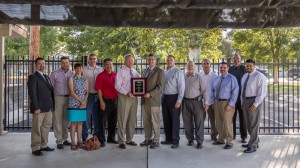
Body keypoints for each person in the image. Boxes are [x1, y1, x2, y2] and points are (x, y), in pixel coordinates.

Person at [28, 57, 55, 156]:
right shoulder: (33, 77)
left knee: (46, 127)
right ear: (36, 65)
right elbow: (32, 93)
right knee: (36, 128)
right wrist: (36, 107)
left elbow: (50, 91)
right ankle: (35, 148)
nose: (42, 65)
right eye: (40, 64)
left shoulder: (47, 77)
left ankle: (44, 145)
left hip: (48, 107)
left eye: (43, 63)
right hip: (38, 108)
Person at [241, 59, 267, 153]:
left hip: (254, 101)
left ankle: (253, 146)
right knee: (248, 124)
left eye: (250, 66)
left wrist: (255, 104)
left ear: (254, 66)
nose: (248, 67)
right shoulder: (245, 76)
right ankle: (254, 140)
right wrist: (242, 102)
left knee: (254, 124)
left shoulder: (260, 76)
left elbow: (262, 93)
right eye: (247, 66)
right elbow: (242, 90)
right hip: (245, 101)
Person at [140, 54, 165, 149]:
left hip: (153, 100)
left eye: (152, 59)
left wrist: (150, 94)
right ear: (147, 60)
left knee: (155, 121)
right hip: (144, 101)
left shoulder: (160, 71)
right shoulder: (144, 71)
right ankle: (148, 138)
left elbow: (160, 87)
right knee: (146, 121)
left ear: (155, 61)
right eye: (149, 59)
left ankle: (156, 140)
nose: (150, 61)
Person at [212, 62, 239, 149]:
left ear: (227, 68)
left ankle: (229, 142)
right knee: (219, 122)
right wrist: (214, 102)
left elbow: (235, 92)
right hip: (217, 102)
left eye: (224, 67)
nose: (222, 69)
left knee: (227, 123)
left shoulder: (232, 78)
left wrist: (230, 104)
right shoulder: (217, 78)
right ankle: (221, 139)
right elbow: (213, 90)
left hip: (226, 103)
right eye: (221, 67)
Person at [183, 61, 209, 149]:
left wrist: (206, 103)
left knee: (199, 122)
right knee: (187, 122)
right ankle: (190, 140)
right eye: (188, 65)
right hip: (185, 102)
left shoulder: (199, 77)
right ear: (186, 67)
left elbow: (205, 91)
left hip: (197, 103)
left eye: (192, 65)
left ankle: (199, 141)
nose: (190, 67)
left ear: (194, 67)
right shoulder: (184, 77)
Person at [115, 54, 139, 149]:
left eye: (131, 60)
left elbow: (138, 83)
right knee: (122, 119)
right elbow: (117, 85)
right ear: (125, 62)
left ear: (133, 61)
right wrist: (127, 93)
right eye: (128, 60)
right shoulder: (121, 72)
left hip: (134, 98)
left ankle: (129, 139)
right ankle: (121, 140)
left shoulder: (135, 71)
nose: (130, 62)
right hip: (124, 96)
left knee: (132, 119)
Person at [161, 55, 185, 149]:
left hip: (174, 98)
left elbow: (182, 87)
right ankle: (168, 139)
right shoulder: (164, 72)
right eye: (168, 60)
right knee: (166, 119)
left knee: (175, 120)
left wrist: (179, 100)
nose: (169, 61)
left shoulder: (178, 72)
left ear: (174, 61)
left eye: (171, 60)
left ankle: (175, 141)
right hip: (165, 97)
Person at [50, 56, 73, 149]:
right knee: (57, 119)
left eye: (66, 62)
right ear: (60, 63)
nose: (65, 64)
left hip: (69, 98)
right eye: (63, 62)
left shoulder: (72, 74)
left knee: (66, 120)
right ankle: (59, 140)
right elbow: (50, 87)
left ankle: (64, 138)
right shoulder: (54, 73)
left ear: (69, 63)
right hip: (58, 98)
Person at [95, 58, 118, 147]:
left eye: (110, 64)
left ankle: (111, 138)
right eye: (107, 64)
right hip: (105, 100)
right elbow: (99, 89)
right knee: (102, 121)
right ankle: (102, 140)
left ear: (112, 65)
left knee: (113, 120)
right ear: (104, 66)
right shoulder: (101, 76)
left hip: (115, 100)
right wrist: (101, 101)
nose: (109, 66)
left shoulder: (116, 75)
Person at [82, 53, 103, 143]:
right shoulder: (84, 69)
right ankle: (84, 137)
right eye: (91, 59)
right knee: (86, 117)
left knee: (97, 118)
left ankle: (96, 136)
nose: (92, 60)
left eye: (94, 58)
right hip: (88, 96)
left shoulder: (101, 69)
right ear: (88, 60)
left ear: (96, 60)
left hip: (98, 96)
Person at [68, 63, 89, 150]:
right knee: (73, 124)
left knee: (80, 123)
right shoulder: (71, 78)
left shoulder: (85, 79)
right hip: (74, 103)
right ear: (74, 69)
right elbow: (71, 92)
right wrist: (81, 101)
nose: (79, 70)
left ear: (82, 69)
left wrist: (84, 102)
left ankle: (79, 141)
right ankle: (73, 143)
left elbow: (87, 91)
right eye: (77, 68)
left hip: (83, 104)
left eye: (80, 68)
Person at [228, 54, 247, 143]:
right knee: (232, 117)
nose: (236, 60)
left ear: (240, 60)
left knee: (243, 117)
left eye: (238, 58)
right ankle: (233, 135)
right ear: (232, 60)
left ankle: (243, 136)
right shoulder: (230, 69)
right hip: (232, 97)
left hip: (242, 97)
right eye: (234, 58)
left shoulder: (244, 69)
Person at [199, 59, 218, 141]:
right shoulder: (199, 75)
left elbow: (216, 90)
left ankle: (214, 136)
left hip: (211, 102)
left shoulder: (214, 76)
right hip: (201, 102)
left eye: (207, 63)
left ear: (210, 65)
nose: (206, 65)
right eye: (204, 64)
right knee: (199, 120)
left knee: (213, 121)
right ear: (202, 65)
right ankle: (199, 136)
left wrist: (214, 102)